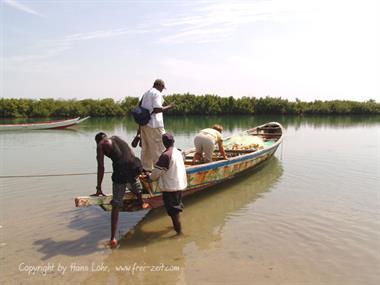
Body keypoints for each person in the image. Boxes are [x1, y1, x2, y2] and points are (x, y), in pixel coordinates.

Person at [92, 132, 149, 248]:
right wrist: (140, 170)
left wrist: (99, 188)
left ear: (98, 141)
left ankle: (113, 238)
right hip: (136, 166)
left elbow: (101, 166)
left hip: (122, 171)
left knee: (116, 204)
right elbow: (131, 154)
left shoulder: (101, 144)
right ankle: (142, 202)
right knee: (132, 178)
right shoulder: (117, 138)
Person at [148, 133, 187, 235]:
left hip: (170, 188)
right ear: (173, 141)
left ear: (164, 143)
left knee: (173, 211)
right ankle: (176, 226)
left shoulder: (166, 155)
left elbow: (155, 174)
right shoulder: (178, 152)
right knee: (176, 209)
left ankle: (179, 233)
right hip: (179, 185)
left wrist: (149, 177)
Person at [139, 79, 175, 171]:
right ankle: (161, 171)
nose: (162, 90)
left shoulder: (146, 93)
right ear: (159, 85)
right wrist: (170, 106)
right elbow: (157, 109)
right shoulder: (156, 93)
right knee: (160, 148)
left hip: (144, 125)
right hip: (154, 125)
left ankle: (146, 169)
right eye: (163, 87)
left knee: (146, 149)